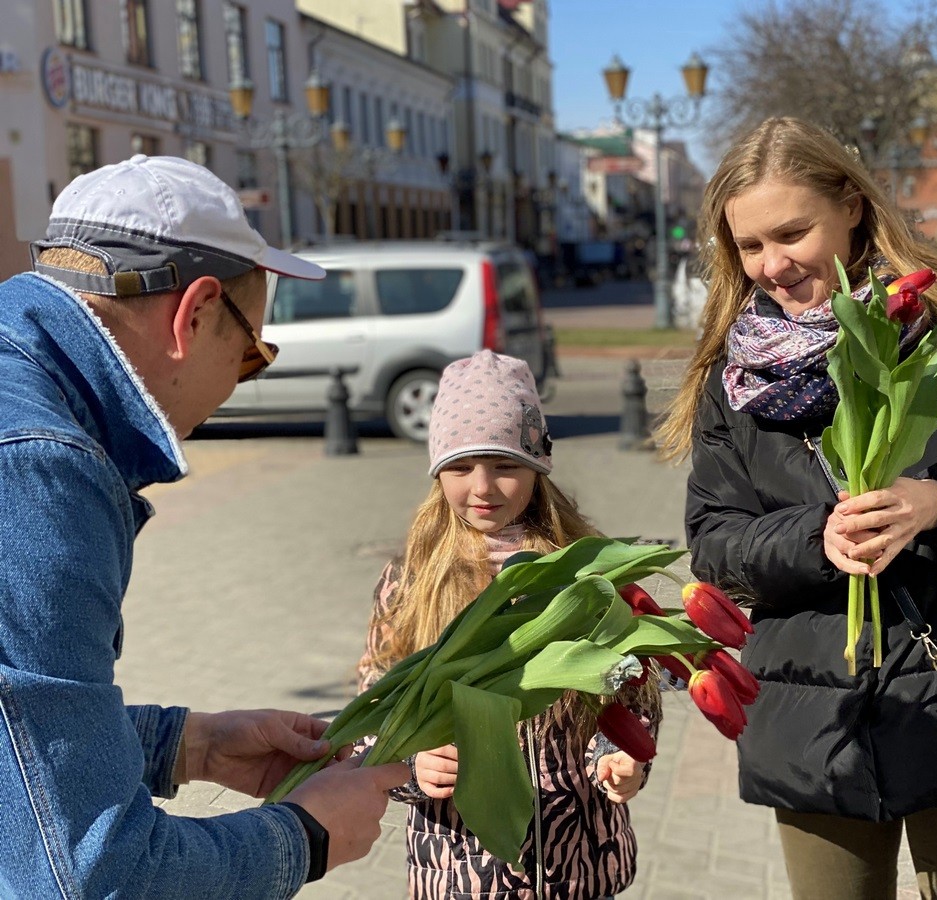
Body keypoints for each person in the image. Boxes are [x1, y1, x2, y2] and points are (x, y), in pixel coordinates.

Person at [656, 118, 937, 900]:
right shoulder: (739, 376)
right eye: (749, 247)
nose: (772, 265)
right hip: (814, 725)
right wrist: (814, 538)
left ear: (853, 205)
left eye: (792, 233)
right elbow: (715, 545)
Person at [0, 154, 411, 897]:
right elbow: (89, 876)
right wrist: (306, 836)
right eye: (252, 353)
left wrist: (187, 744)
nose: (233, 389)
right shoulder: (41, 466)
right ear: (194, 314)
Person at [357, 349, 661, 900]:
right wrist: (411, 760)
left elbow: (629, 689)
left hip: (577, 860)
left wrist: (619, 757)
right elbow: (374, 706)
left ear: (537, 467)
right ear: (436, 471)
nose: (483, 487)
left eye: (505, 466)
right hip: (459, 867)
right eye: (460, 467)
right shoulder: (414, 582)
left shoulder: (581, 571)